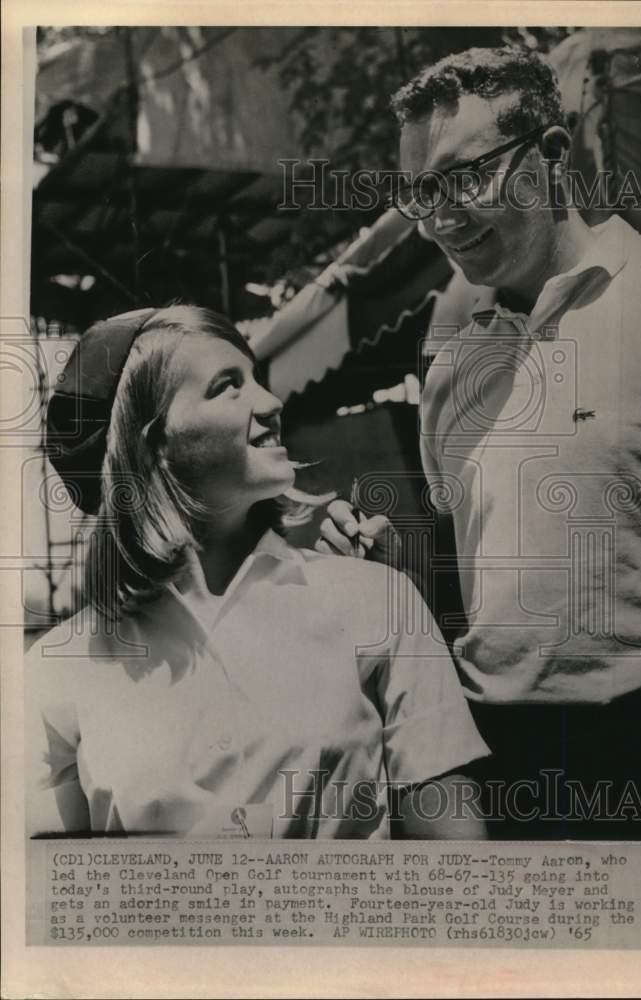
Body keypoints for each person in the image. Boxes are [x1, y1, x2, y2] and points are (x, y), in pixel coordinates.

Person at [318, 47, 641, 839]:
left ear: (552, 155)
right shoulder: (453, 370)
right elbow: (468, 595)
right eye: (421, 193)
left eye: (465, 177)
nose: (443, 218)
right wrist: (384, 569)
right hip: (496, 765)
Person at [26, 305, 490, 839]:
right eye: (228, 386)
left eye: (258, 380)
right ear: (151, 443)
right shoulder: (59, 667)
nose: (271, 404)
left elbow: (457, 861)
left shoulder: (378, 599)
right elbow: (45, 889)